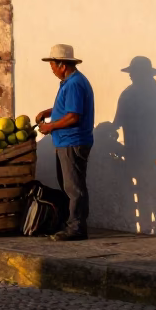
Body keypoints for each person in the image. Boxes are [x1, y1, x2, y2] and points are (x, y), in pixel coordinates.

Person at [35, 43, 94, 240]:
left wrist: (50, 126)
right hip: (66, 142)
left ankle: (76, 228)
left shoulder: (75, 83)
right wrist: (49, 111)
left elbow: (73, 116)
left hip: (72, 142)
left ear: (62, 65)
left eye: (52, 66)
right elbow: (67, 109)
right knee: (69, 185)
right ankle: (72, 224)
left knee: (73, 188)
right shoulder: (70, 82)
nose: (51, 70)